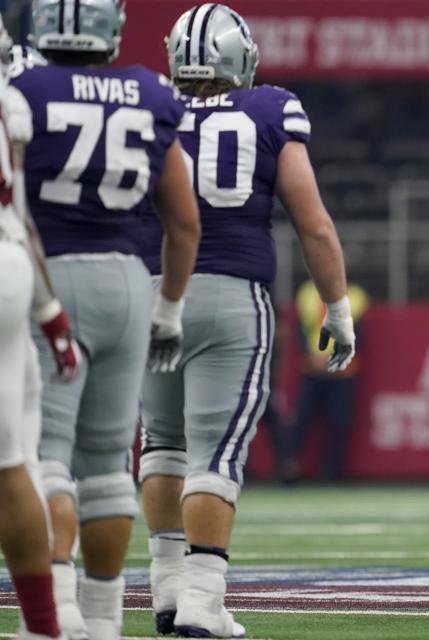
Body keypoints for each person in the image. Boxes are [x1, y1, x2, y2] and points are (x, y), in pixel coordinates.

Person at [137, 5, 355, 637]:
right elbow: (312, 223)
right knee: (216, 452)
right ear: (240, 59)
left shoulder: (151, 106)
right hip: (231, 295)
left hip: (154, 290)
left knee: (162, 444)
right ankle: (203, 603)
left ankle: (167, 590)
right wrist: (336, 310)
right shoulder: (269, 108)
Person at [8, 1, 202, 637]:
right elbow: (183, 218)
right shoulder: (150, 92)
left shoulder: (24, 90)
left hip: (50, 275)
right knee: (109, 463)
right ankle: (104, 617)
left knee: (47, 460)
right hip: (126, 282)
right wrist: (169, 308)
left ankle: (58, 613)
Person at [0, 14, 85, 640]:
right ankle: (45, 627)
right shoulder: (11, 102)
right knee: (14, 465)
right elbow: (20, 217)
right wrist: (49, 313)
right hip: (11, 266)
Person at [274, 281, 368, 484]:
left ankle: (331, 471)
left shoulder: (356, 296)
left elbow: (358, 333)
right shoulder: (307, 293)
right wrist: (309, 356)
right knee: (301, 419)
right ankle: (288, 466)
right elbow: (300, 330)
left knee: (339, 421)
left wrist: (337, 357)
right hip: (312, 368)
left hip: (342, 371)